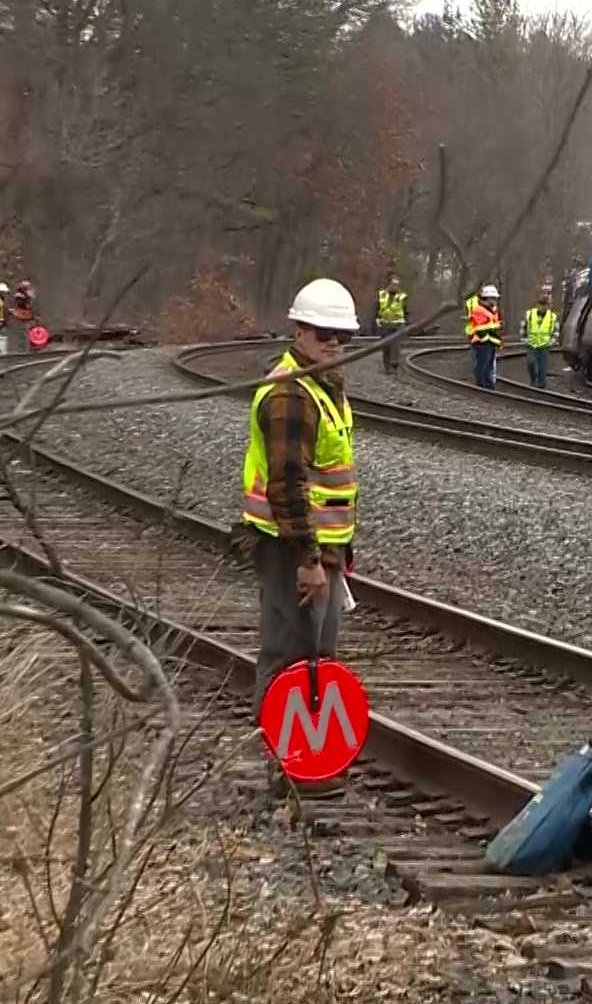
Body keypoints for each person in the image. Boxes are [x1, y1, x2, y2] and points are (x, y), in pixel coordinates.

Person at [237, 277, 361, 799]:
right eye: (323, 333)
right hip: (292, 548)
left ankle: (307, 761)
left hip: (318, 548)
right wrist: (309, 560)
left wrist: (337, 554)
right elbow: (287, 485)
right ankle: (289, 767)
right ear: (299, 330)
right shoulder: (291, 394)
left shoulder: (320, 385)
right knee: (290, 652)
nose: (333, 343)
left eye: (341, 336)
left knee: (314, 653)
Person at [467, 284, 503, 389]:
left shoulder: (492, 311)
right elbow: (482, 331)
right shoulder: (479, 310)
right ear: (487, 298)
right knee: (482, 367)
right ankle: (482, 387)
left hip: (489, 343)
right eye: (494, 299)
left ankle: (488, 386)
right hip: (482, 343)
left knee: (488, 367)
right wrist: (495, 341)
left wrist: (497, 341)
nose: (495, 301)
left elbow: (493, 328)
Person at [523, 285, 558, 388]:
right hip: (531, 344)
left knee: (543, 367)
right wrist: (525, 340)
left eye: (544, 305)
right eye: (540, 305)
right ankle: (533, 378)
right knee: (531, 363)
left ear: (547, 306)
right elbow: (523, 327)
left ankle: (541, 385)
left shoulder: (552, 317)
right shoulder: (529, 314)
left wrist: (551, 342)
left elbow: (555, 331)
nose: (542, 307)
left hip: (545, 345)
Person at [375, 273, 409, 376]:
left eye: (396, 284)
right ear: (388, 285)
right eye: (393, 284)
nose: (395, 286)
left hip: (398, 324)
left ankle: (394, 364)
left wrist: (406, 322)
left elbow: (407, 310)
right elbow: (376, 308)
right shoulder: (382, 295)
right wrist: (376, 320)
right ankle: (387, 368)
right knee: (386, 346)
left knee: (395, 344)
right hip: (384, 324)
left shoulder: (402, 297)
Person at [7, 280, 36, 353]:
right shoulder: (23, 295)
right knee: (23, 334)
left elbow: (26, 306)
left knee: (25, 334)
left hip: (25, 316)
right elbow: (21, 305)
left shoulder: (27, 296)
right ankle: (24, 350)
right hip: (23, 316)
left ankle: (25, 350)